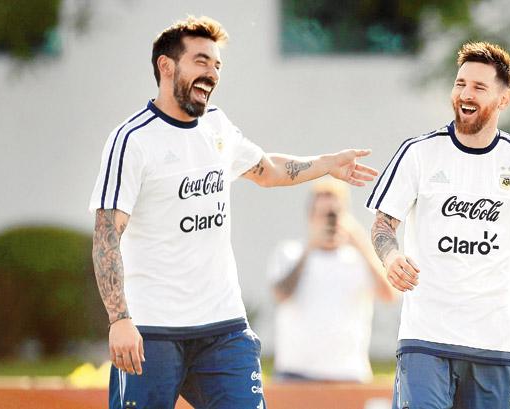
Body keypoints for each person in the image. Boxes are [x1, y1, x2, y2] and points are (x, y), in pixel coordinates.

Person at [89, 16, 377, 409]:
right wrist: (119, 318)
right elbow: (107, 234)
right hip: (151, 331)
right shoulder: (132, 140)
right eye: (201, 61)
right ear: (166, 66)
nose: (212, 73)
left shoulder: (217, 127)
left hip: (223, 328)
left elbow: (269, 170)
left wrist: (327, 163)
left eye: (217, 65)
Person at [366, 42, 510, 409]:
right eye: (460, 84)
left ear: (503, 99)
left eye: (479, 87)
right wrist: (391, 255)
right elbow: (383, 223)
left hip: (494, 342)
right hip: (425, 338)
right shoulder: (419, 152)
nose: (465, 94)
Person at [268, 178, 395, 383]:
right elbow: (281, 294)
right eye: (324, 214)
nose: (331, 222)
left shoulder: (360, 260)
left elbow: (389, 295)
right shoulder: (290, 253)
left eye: (335, 214)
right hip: (295, 374)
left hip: (349, 375)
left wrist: (361, 242)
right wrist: (310, 248)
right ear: (311, 217)